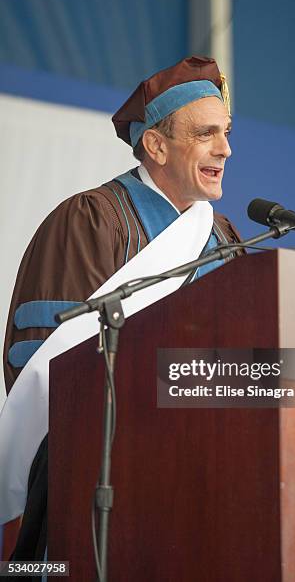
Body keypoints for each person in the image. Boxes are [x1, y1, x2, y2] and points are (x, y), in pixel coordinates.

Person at [2, 56, 242, 563]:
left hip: (213, 482)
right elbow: (46, 365)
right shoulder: (92, 221)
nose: (225, 148)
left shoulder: (226, 240)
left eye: (225, 132)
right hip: (101, 480)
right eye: (206, 133)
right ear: (155, 145)